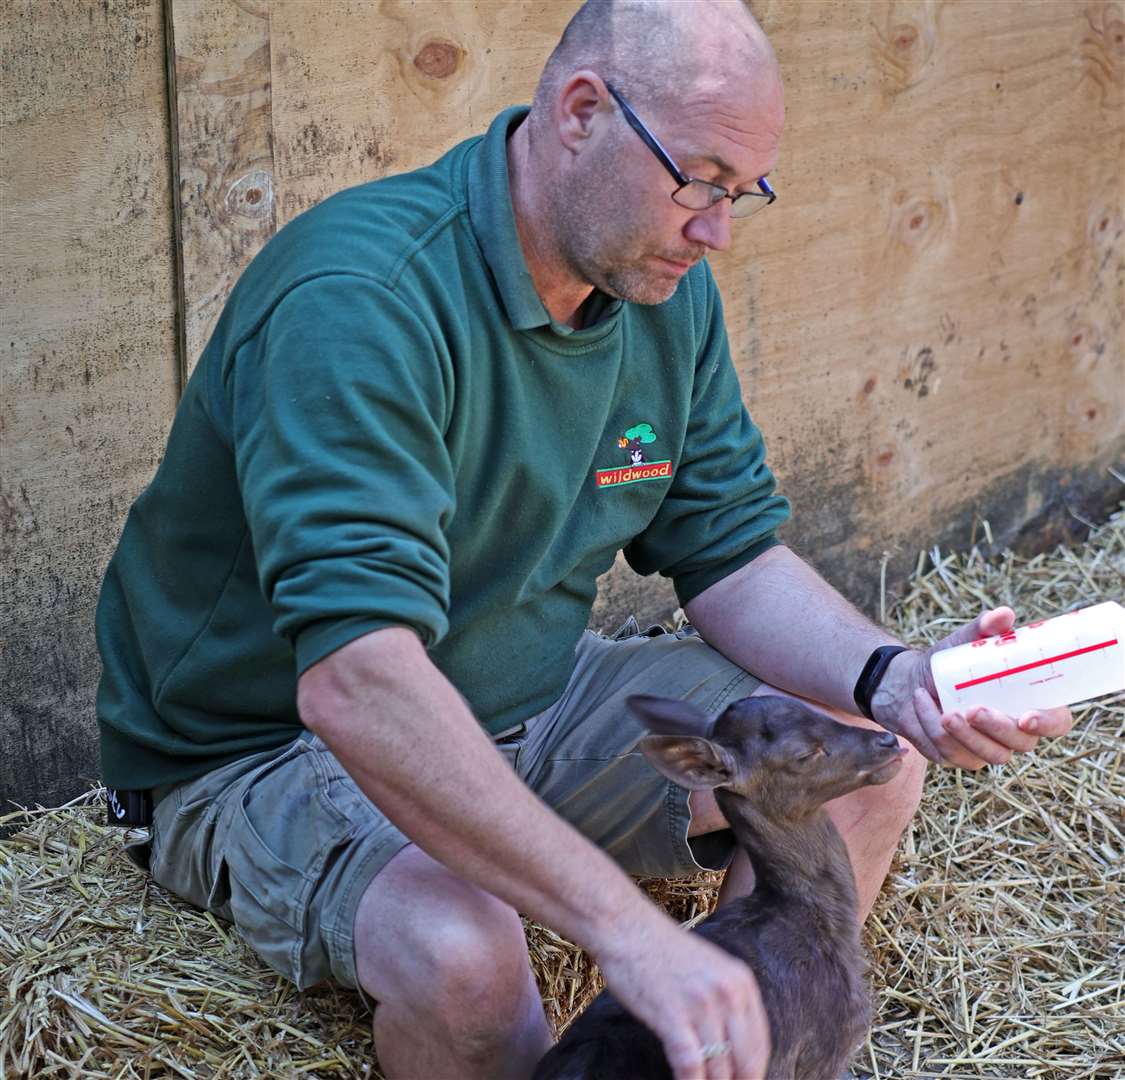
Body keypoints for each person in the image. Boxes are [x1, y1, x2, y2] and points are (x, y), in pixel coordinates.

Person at [94, 2, 1074, 1078]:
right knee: (466, 953)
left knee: (866, 764)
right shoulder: (363, 299)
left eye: (742, 194)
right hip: (269, 748)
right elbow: (356, 685)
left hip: (528, 697)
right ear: (580, 112)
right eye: (698, 180)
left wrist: (897, 678)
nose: (717, 231)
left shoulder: (653, 281)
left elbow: (732, 552)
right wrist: (630, 932)